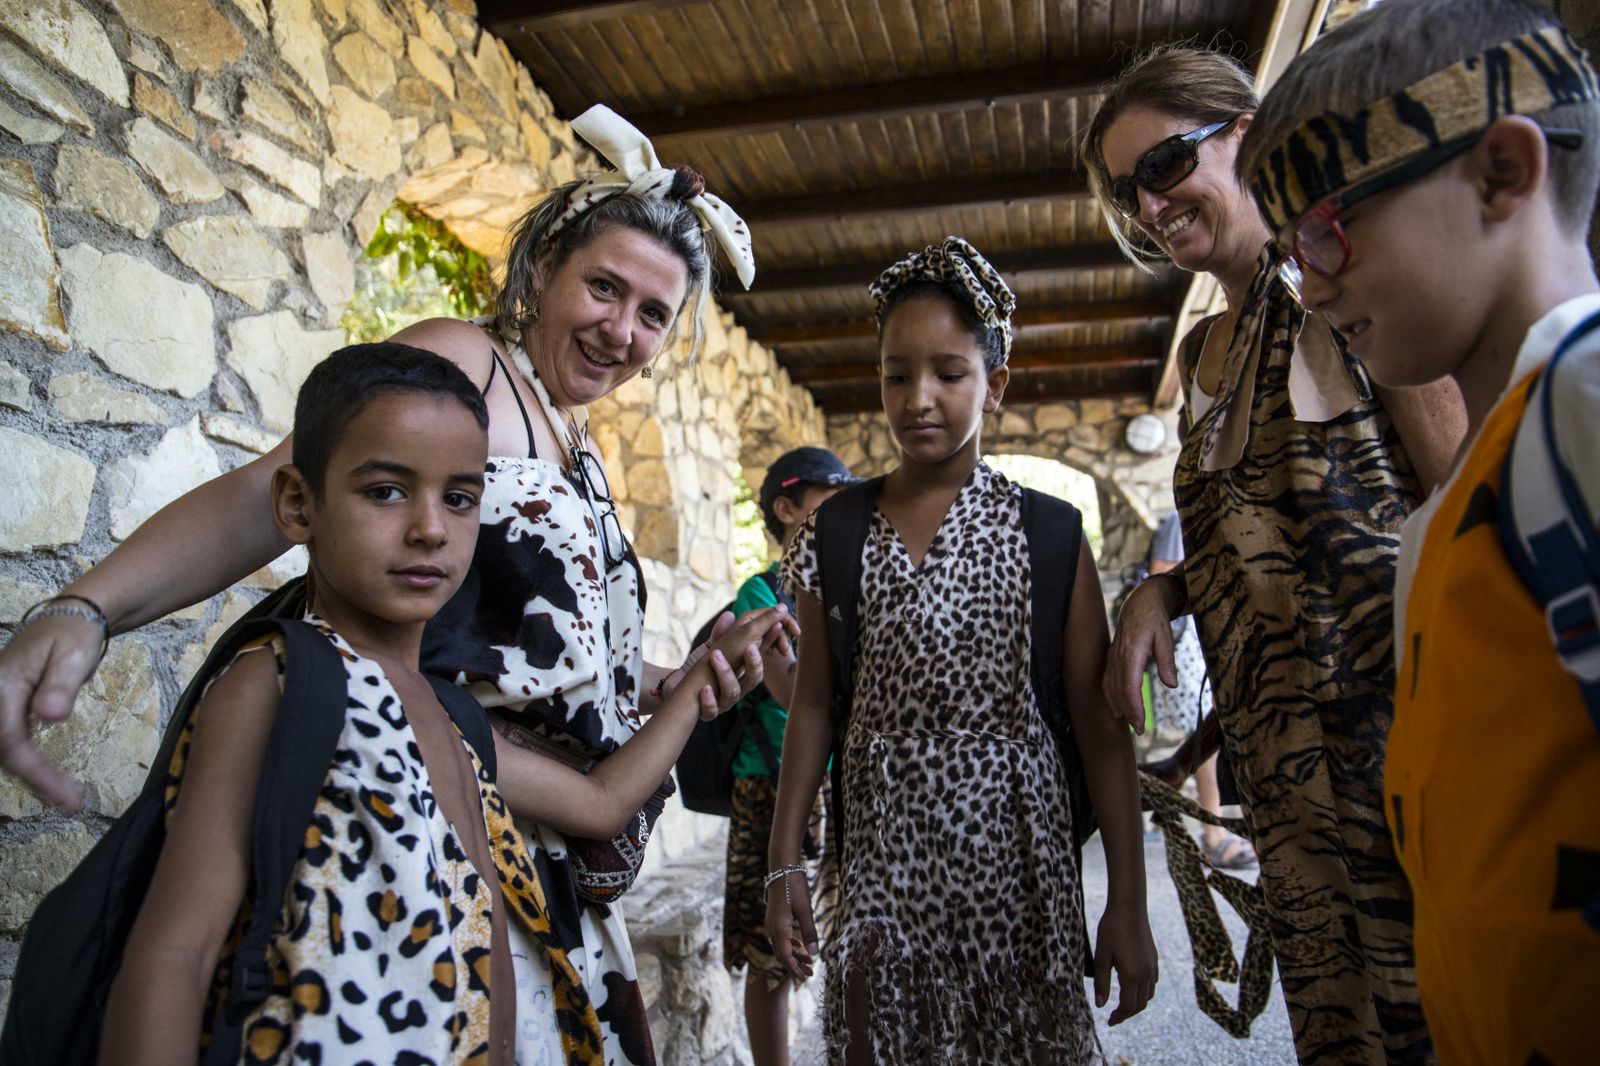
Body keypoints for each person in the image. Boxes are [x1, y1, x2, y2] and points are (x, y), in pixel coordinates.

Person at [0, 104, 790, 1066]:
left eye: (653, 314)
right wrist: (88, 607)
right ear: (543, 269)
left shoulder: (578, 442)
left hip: (536, 853)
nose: (622, 329)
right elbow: (265, 494)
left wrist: (663, 678)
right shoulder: (467, 367)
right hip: (410, 814)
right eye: (605, 288)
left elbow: (538, 653)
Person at [91, 343, 778, 1065]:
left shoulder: (456, 721)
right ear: (298, 503)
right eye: (385, 491)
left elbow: (598, 809)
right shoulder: (282, 684)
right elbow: (175, 955)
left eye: (459, 499)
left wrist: (698, 683)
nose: (429, 529)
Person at [1081, 45, 1466, 1064]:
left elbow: (1466, 495)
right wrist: (1162, 590)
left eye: (1163, 166)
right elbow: (1244, 537)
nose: (1148, 208)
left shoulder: (1346, 276)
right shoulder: (1206, 351)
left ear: (1243, 131)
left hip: (1412, 772)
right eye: (1127, 194)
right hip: (1290, 803)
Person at [1239, 2, 1600, 1060]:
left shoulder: (1581, 404)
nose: (1309, 285)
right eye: (1290, 254)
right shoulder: (1445, 512)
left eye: (1324, 230)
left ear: (1498, 172)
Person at [763, 237, 1156, 1063]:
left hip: (1016, 865)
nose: (919, 398)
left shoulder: (1049, 533)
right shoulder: (834, 532)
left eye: (949, 372)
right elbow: (813, 707)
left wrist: (1128, 897)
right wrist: (783, 863)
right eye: (896, 374)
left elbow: (1097, 723)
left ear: (996, 384)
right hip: (878, 858)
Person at [722, 446, 855, 1066]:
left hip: (851, 788)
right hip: (775, 793)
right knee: (772, 959)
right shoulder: (762, 592)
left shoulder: (854, 589)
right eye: (830, 500)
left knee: (860, 941)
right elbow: (787, 687)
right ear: (786, 507)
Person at [1145, 511, 1253, 870]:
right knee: (1203, 724)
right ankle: (1214, 833)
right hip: (1185, 642)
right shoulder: (1177, 521)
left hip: (1196, 639)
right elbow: (1161, 571)